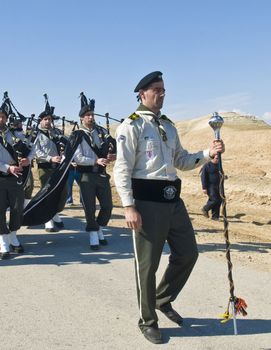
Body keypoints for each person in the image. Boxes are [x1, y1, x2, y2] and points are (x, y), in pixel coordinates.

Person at [113, 71, 225, 344]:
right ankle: (147, 320)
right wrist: (129, 206)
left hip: (172, 200)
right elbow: (122, 169)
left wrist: (207, 155)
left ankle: (163, 299)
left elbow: (181, 161)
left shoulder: (169, 126)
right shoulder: (132, 126)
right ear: (142, 93)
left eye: (163, 89)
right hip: (146, 202)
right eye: (156, 89)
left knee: (188, 253)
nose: (162, 94)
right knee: (147, 266)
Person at [0, 105, 32, 259]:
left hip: (15, 178)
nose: (1, 119)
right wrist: (7, 168)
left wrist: (27, 159)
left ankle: (13, 237)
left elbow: (31, 148)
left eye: (3, 117)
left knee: (17, 208)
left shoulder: (16, 134)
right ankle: (4, 242)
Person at [72, 93, 115, 250]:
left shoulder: (102, 131)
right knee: (89, 207)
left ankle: (99, 228)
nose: (91, 117)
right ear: (82, 118)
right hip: (86, 175)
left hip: (102, 174)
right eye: (88, 115)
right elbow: (77, 157)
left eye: (92, 115)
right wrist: (95, 160)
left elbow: (111, 146)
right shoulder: (77, 135)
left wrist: (112, 156)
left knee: (107, 206)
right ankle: (93, 234)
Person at [34, 102, 67, 232]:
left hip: (59, 167)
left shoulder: (57, 132)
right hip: (45, 167)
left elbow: (67, 144)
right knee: (47, 193)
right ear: (41, 121)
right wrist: (50, 158)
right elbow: (36, 151)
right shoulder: (36, 134)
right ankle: (48, 220)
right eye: (45, 119)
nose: (48, 122)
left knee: (62, 193)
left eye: (50, 119)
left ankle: (55, 213)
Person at [200, 154, 222, 220]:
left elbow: (221, 174)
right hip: (210, 186)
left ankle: (215, 216)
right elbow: (203, 177)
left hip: (218, 186)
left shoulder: (219, 165)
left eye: (219, 158)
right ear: (212, 158)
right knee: (214, 199)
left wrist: (224, 177)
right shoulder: (207, 165)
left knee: (219, 200)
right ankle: (205, 209)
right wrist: (204, 187)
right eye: (217, 158)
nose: (218, 160)